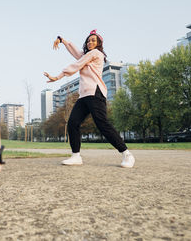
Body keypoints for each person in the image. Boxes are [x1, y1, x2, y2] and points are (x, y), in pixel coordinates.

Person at [44, 30, 135, 168]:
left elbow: (77, 64)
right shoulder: (86, 55)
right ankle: (76, 156)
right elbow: (75, 52)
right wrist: (62, 40)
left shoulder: (96, 54)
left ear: (99, 44)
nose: (90, 42)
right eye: (88, 40)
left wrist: (58, 77)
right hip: (84, 95)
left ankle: (127, 154)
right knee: (73, 123)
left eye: (93, 40)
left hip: (95, 92)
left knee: (102, 124)